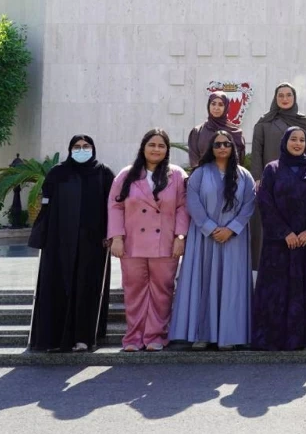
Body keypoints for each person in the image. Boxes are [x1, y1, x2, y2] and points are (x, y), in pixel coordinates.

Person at [170, 130, 256, 350]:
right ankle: (202, 334)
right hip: (204, 238)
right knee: (203, 282)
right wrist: (210, 227)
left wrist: (232, 229)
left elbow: (249, 205)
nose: (222, 148)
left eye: (226, 144)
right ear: (211, 148)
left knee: (232, 285)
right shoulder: (199, 174)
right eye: (217, 144)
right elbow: (193, 203)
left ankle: (229, 335)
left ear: (232, 147)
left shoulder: (243, 175)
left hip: (233, 239)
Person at [28, 135, 115, 352]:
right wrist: (43, 235)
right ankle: (54, 339)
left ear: (93, 149)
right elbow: (46, 206)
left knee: (87, 286)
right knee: (58, 285)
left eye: (86, 146)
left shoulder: (103, 173)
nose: (81, 150)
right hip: (59, 242)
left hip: (93, 243)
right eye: (77, 147)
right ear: (69, 149)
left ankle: (84, 337)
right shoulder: (58, 173)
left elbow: (114, 208)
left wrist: (112, 234)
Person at [107, 128, 189, 352]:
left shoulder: (177, 175)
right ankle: (133, 337)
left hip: (165, 243)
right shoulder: (126, 175)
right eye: (152, 145)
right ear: (143, 148)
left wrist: (180, 237)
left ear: (167, 150)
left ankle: (156, 335)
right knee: (134, 290)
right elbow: (115, 207)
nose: (156, 149)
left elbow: (183, 208)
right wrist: (116, 237)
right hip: (132, 244)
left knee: (162, 291)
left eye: (161, 146)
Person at [250, 126, 306, 351]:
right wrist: (285, 232)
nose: (297, 143)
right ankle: (270, 340)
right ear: (285, 141)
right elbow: (265, 203)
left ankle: (298, 340)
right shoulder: (272, 169)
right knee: (276, 291)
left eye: (302, 140)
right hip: (278, 245)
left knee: (303, 291)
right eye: (293, 139)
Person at [250, 83, 306, 270]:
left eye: (289, 95)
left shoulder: (304, 122)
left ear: (294, 98)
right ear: (275, 98)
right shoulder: (264, 122)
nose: (285, 99)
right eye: (281, 95)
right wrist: (257, 178)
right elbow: (256, 152)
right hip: (272, 184)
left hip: (299, 184)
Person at [187, 91, 246, 169]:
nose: (216, 108)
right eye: (213, 104)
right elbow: (194, 160)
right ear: (209, 105)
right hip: (203, 177)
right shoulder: (197, 132)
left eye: (221, 104)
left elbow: (239, 161)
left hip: (229, 177)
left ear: (226, 107)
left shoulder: (236, 132)